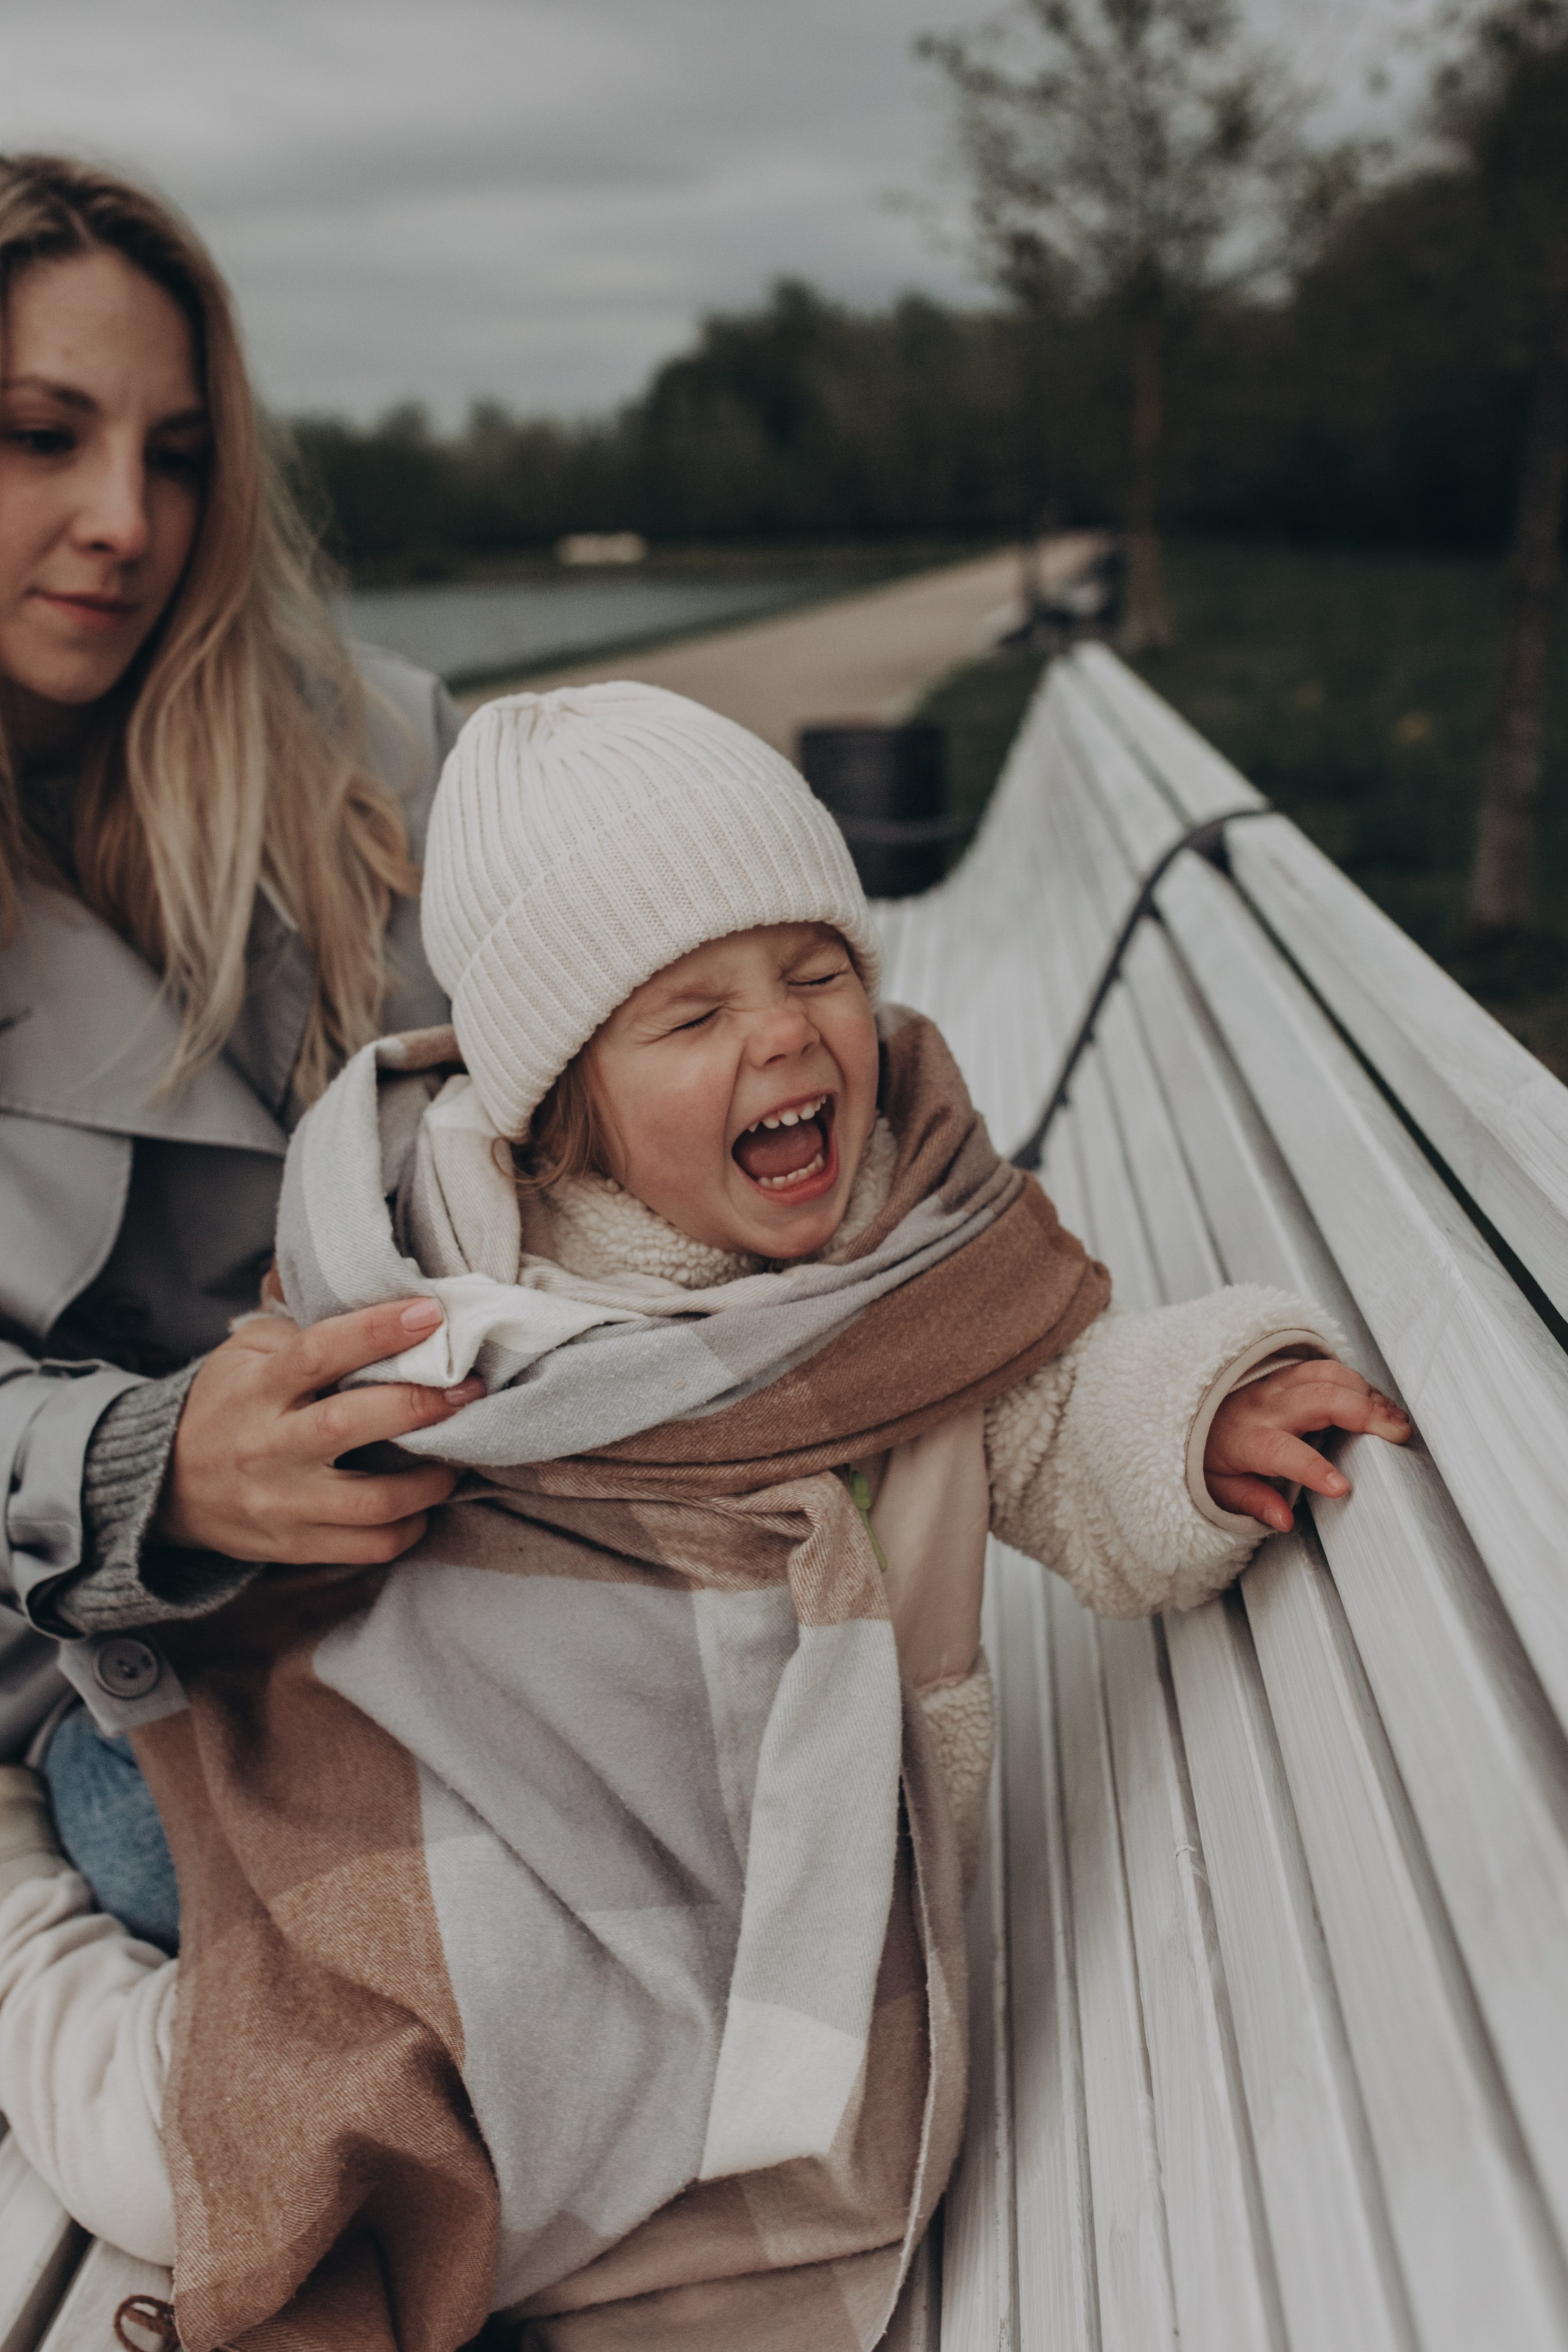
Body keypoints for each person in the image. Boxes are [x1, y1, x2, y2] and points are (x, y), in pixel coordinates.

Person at [0, 682, 1411, 2348]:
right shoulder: (446, 1300)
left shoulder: (910, 1276)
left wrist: (1195, 1421)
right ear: (565, 1104)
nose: (791, 1035)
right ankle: (18, 1925)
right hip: (321, 1815)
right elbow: (319, 1524)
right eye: (693, 1015)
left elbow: (1054, 1410)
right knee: (197, 2160)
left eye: (819, 970)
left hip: (657, 1912)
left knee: (528, 2098)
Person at [0, 154, 483, 1951]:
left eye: (176, 451)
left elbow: (563, 1115)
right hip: (94, 1646)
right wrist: (150, 1469)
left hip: (475, 1532)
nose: (127, 518)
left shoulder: (368, 757)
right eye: (41, 435)